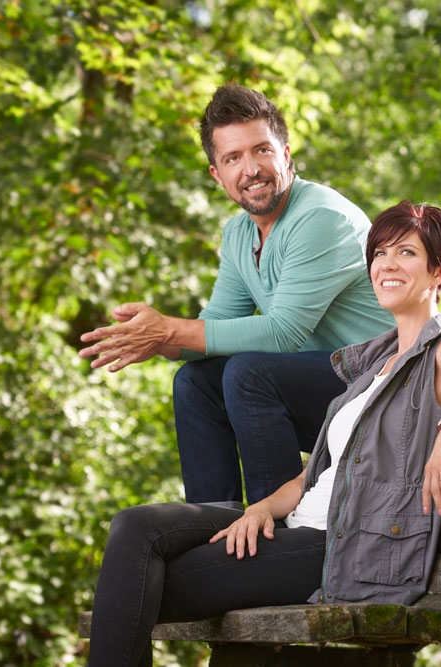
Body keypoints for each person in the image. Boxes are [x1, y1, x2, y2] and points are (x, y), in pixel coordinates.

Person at [86, 200, 441, 666]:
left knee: (143, 583)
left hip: (342, 545)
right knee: (136, 526)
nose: (388, 264)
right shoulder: (374, 367)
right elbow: (316, 478)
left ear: (440, 271)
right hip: (300, 522)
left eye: (407, 252)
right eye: (379, 253)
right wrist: (260, 509)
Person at [78, 85, 394, 507]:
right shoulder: (240, 233)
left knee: (248, 373)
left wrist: (170, 328)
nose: (251, 169)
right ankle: (213, 519)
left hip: (382, 389)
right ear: (216, 174)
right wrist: (154, 339)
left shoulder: (320, 217)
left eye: (262, 150)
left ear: (285, 153)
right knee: (194, 381)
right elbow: (215, 325)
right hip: (327, 392)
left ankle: (277, 527)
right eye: (233, 158)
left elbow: (284, 334)